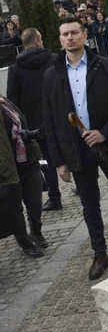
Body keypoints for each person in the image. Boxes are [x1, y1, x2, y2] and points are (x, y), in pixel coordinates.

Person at [43, 17, 108, 281]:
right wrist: (58, 161)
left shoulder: (105, 66)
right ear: (59, 39)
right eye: (64, 34)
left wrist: (104, 132)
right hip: (76, 150)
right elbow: (51, 120)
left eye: (74, 33)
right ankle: (100, 254)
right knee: (90, 206)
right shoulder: (52, 74)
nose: (69, 38)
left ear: (84, 35)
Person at [7, 28, 61, 212]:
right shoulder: (55, 59)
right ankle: (81, 187)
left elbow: (13, 100)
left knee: (46, 160)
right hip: (59, 116)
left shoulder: (15, 68)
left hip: (34, 122)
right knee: (71, 152)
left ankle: (54, 197)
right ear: (38, 40)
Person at [0, 95, 45, 257]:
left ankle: (36, 232)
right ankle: (25, 242)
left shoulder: (6, 103)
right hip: (7, 169)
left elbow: (21, 126)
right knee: (15, 208)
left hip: (27, 160)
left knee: (35, 201)